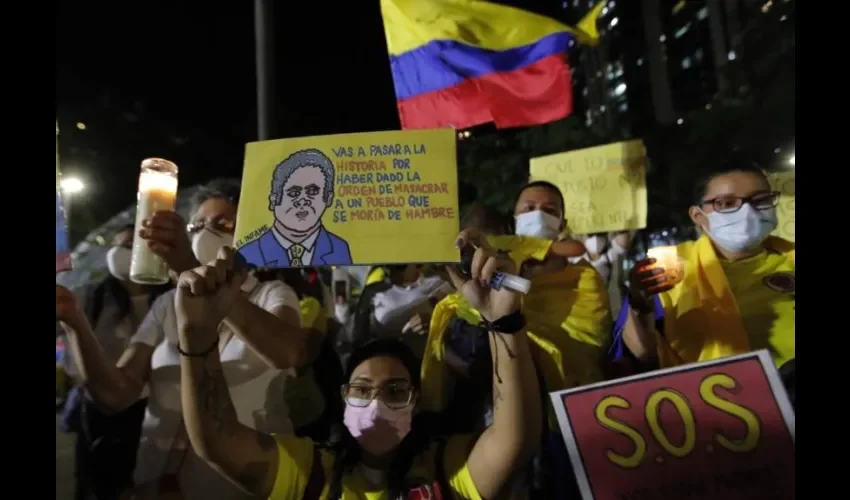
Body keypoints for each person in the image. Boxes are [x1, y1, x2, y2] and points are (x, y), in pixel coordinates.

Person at [173, 237, 541, 499]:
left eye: (395, 391)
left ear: (416, 401)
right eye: (362, 390)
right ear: (343, 398)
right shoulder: (311, 472)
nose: (376, 403)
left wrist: (503, 322)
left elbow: (514, 440)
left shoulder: (447, 469)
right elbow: (218, 441)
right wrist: (197, 336)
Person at [56, 178, 309, 499]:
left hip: (239, 485)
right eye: (198, 225)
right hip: (156, 483)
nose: (206, 233)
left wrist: (190, 267)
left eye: (223, 224)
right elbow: (116, 394)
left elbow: (288, 353)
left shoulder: (271, 294)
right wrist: (75, 322)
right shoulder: (168, 305)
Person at [620, 162, 794, 369]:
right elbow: (644, 352)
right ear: (698, 216)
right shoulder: (669, 270)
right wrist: (640, 304)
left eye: (761, 199)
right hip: (719, 394)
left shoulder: (790, 258)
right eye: (726, 203)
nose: (748, 211)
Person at [56, 224, 171, 500]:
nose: (121, 252)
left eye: (131, 245)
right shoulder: (90, 297)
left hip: (150, 412)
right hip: (97, 410)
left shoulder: (171, 300)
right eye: (117, 246)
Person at [239, 148, 353, 267]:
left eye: (312, 191)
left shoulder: (339, 249)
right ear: (273, 200)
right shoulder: (247, 254)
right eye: (293, 193)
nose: (303, 201)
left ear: (328, 198)